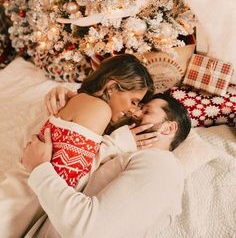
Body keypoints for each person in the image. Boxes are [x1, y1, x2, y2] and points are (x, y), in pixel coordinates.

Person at [0, 53, 155, 238]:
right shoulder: (99, 109)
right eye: (133, 101)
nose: (132, 110)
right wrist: (118, 143)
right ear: (112, 86)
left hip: (17, 200)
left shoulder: (82, 102)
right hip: (15, 207)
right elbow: (69, 180)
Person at [21, 92, 191, 238]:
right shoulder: (136, 158)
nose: (136, 113)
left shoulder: (162, 166)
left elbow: (89, 231)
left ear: (168, 128)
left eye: (147, 111)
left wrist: (40, 170)